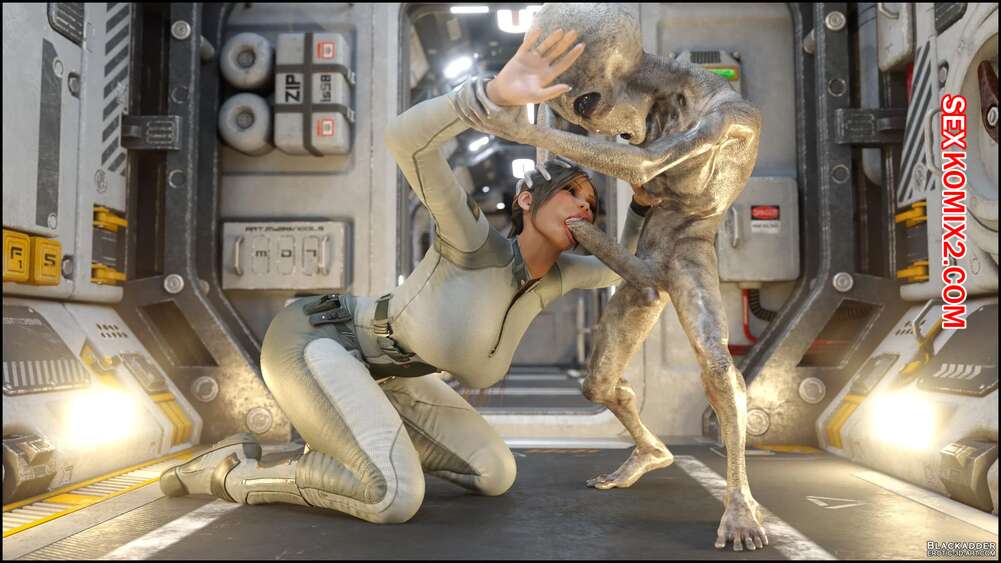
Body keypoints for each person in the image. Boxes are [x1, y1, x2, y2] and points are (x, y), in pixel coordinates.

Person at [159, 29, 653, 524]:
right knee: (392, 496)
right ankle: (231, 472)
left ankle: (356, 447)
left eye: (592, 205)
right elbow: (405, 139)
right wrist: (490, 96)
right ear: (527, 200)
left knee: (495, 473)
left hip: (391, 375)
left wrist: (641, 205)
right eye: (573, 194)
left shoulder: (556, 277)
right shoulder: (473, 241)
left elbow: (623, 265)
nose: (585, 208)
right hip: (317, 341)